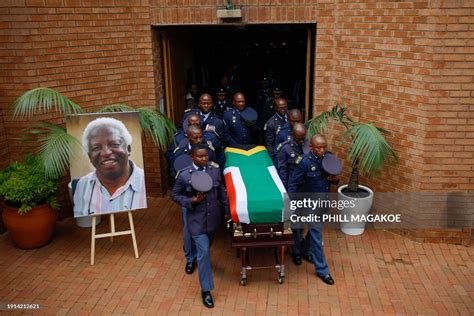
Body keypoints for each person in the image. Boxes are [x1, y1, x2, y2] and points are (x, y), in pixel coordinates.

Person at [172, 143, 229, 308]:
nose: (204, 159)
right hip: (196, 221)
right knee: (204, 252)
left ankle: (197, 259)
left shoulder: (214, 170)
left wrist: (226, 211)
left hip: (212, 220)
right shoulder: (184, 175)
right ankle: (206, 290)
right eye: (200, 156)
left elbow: (221, 192)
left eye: (206, 156)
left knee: (206, 248)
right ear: (192, 157)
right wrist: (191, 201)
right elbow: (175, 195)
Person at [287, 134, 339, 285]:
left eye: (324, 147)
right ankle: (323, 270)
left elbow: (333, 179)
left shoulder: (328, 159)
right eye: (319, 147)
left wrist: (336, 180)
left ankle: (302, 250)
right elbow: (293, 185)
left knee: (310, 233)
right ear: (311, 147)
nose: (322, 150)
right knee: (316, 237)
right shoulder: (304, 162)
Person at [73, 117, 146, 217]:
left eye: (114, 144)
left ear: (128, 149)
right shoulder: (82, 186)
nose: (106, 153)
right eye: (96, 148)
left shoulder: (145, 182)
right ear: (90, 156)